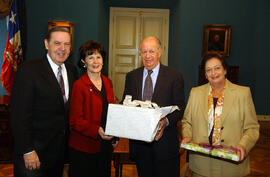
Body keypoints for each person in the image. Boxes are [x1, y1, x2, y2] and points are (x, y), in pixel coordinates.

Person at [10, 26, 78, 177]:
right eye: (57, 43)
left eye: (66, 44)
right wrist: (27, 150)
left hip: (58, 155)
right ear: (46, 44)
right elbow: (19, 115)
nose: (62, 48)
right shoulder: (28, 70)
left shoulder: (72, 70)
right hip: (33, 154)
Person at [181, 53, 260, 177]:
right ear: (205, 75)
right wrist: (187, 136)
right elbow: (187, 121)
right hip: (201, 164)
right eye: (209, 70)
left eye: (217, 68)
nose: (213, 73)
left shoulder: (243, 94)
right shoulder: (195, 93)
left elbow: (252, 128)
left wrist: (244, 146)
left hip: (232, 163)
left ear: (225, 70)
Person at [122, 36, 185, 177]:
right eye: (144, 52)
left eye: (151, 51)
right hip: (140, 146)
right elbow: (125, 103)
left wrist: (165, 122)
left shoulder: (174, 76)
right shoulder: (132, 76)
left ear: (159, 52)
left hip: (165, 146)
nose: (147, 56)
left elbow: (180, 108)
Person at [68, 40, 118, 177]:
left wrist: (115, 137)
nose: (95, 61)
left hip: (105, 145)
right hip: (84, 148)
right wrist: (97, 130)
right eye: (90, 57)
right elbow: (75, 120)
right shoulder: (79, 85)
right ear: (84, 62)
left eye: (98, 57)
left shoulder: (108, 83)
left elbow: (111, 112)